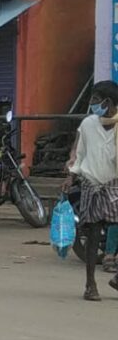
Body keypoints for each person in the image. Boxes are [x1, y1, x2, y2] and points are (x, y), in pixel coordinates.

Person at [63, 81, 118, 300]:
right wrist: (71, 175)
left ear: (108, 102)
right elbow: (80, 153)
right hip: (92, 184)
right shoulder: (87, 124)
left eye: (95, 100)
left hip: (115, 184)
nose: (92, 104)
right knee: (93, 235)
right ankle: (90, 285)